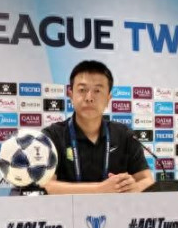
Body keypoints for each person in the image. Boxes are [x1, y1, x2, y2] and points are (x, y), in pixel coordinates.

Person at [41, 60, 154, 194]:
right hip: (67, 208)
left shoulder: (124, 135)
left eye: (97, 91)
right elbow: (47, 185)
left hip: (116, 207)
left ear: (108, 98)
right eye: (82, 90)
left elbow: (147, 180)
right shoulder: (52, 135)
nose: (89, 98)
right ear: (71, 95)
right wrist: (100, 189)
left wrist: (134, 187)